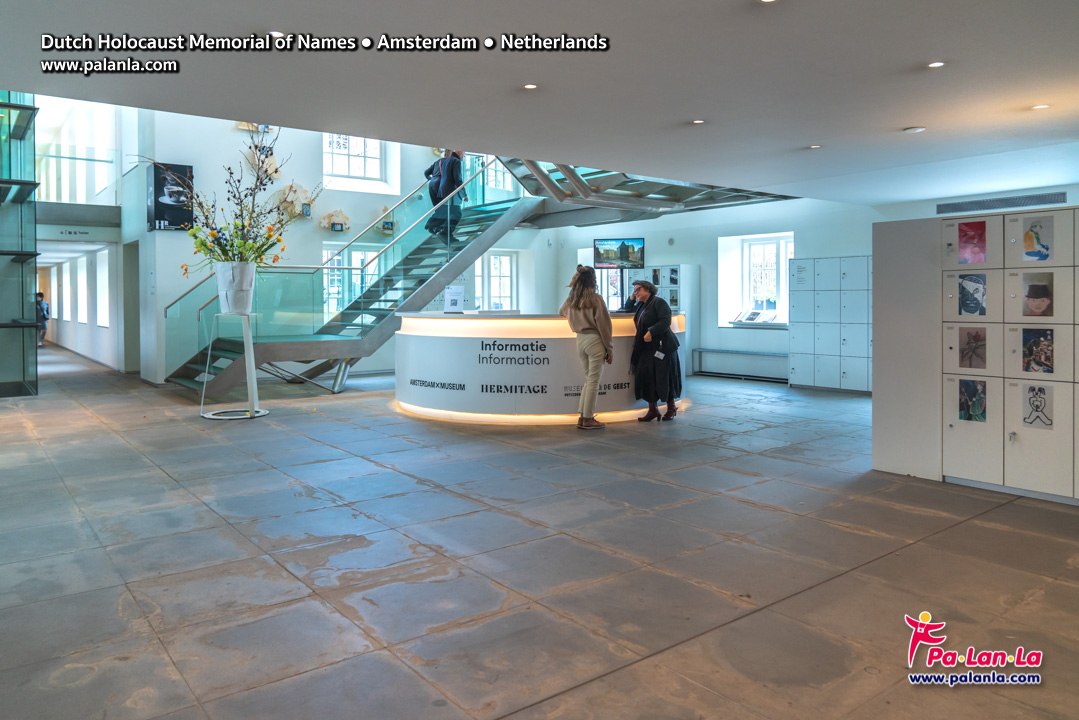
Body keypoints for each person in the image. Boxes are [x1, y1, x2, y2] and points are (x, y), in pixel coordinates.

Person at [560, 265, 613, 430]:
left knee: (588, 379)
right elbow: (604, 326)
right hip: (595, 340)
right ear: (593, 281)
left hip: (580, 340)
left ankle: (583, 416)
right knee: (593, 381)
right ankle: (588, 418)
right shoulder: (596, 299)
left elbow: (561, 311)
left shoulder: (571, 300)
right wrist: (609, 348)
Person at [629, 280, 681, 421]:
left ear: (648, 289)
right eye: (634, 290)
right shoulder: (641, 304)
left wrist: (651, 331)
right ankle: (653, 410)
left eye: (638, 289)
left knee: (664, 376)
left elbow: (665, 321)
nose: (636, 292)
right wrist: (632, 297)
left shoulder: (659, 302)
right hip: (647, 347)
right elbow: (627, 308)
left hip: (662, 346)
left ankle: (671, 408)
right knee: (648, 377)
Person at [423, 150, 467, 243]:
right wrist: (464, 194)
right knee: (450, 211)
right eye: (464, 153)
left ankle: (434, 226)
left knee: (441, 209)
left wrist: (430, 179)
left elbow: (426, 173)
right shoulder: (453, 161)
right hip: (442, 187)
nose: (464, 155)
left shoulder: (438, 162)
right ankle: (436, 226)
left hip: (433, 185)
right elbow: (457, 179)